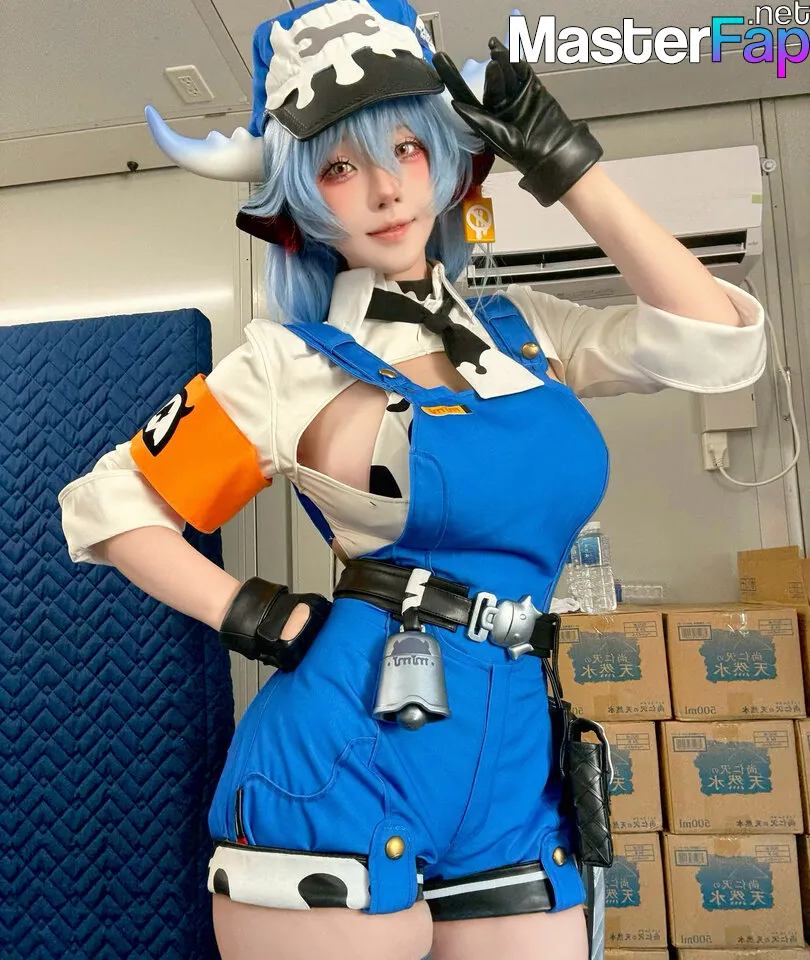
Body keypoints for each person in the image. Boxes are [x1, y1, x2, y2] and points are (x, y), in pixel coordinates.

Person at [58, 1, 767, 958]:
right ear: (304, 198)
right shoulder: (288, 363)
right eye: (341, 167)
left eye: (407, 149)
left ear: (445, 158)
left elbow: (721, 344)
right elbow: (108, 505)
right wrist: (256, 615)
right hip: (343, 749)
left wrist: (569, 167)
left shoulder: (528, 333)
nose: (387, 189)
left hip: (512, 749)